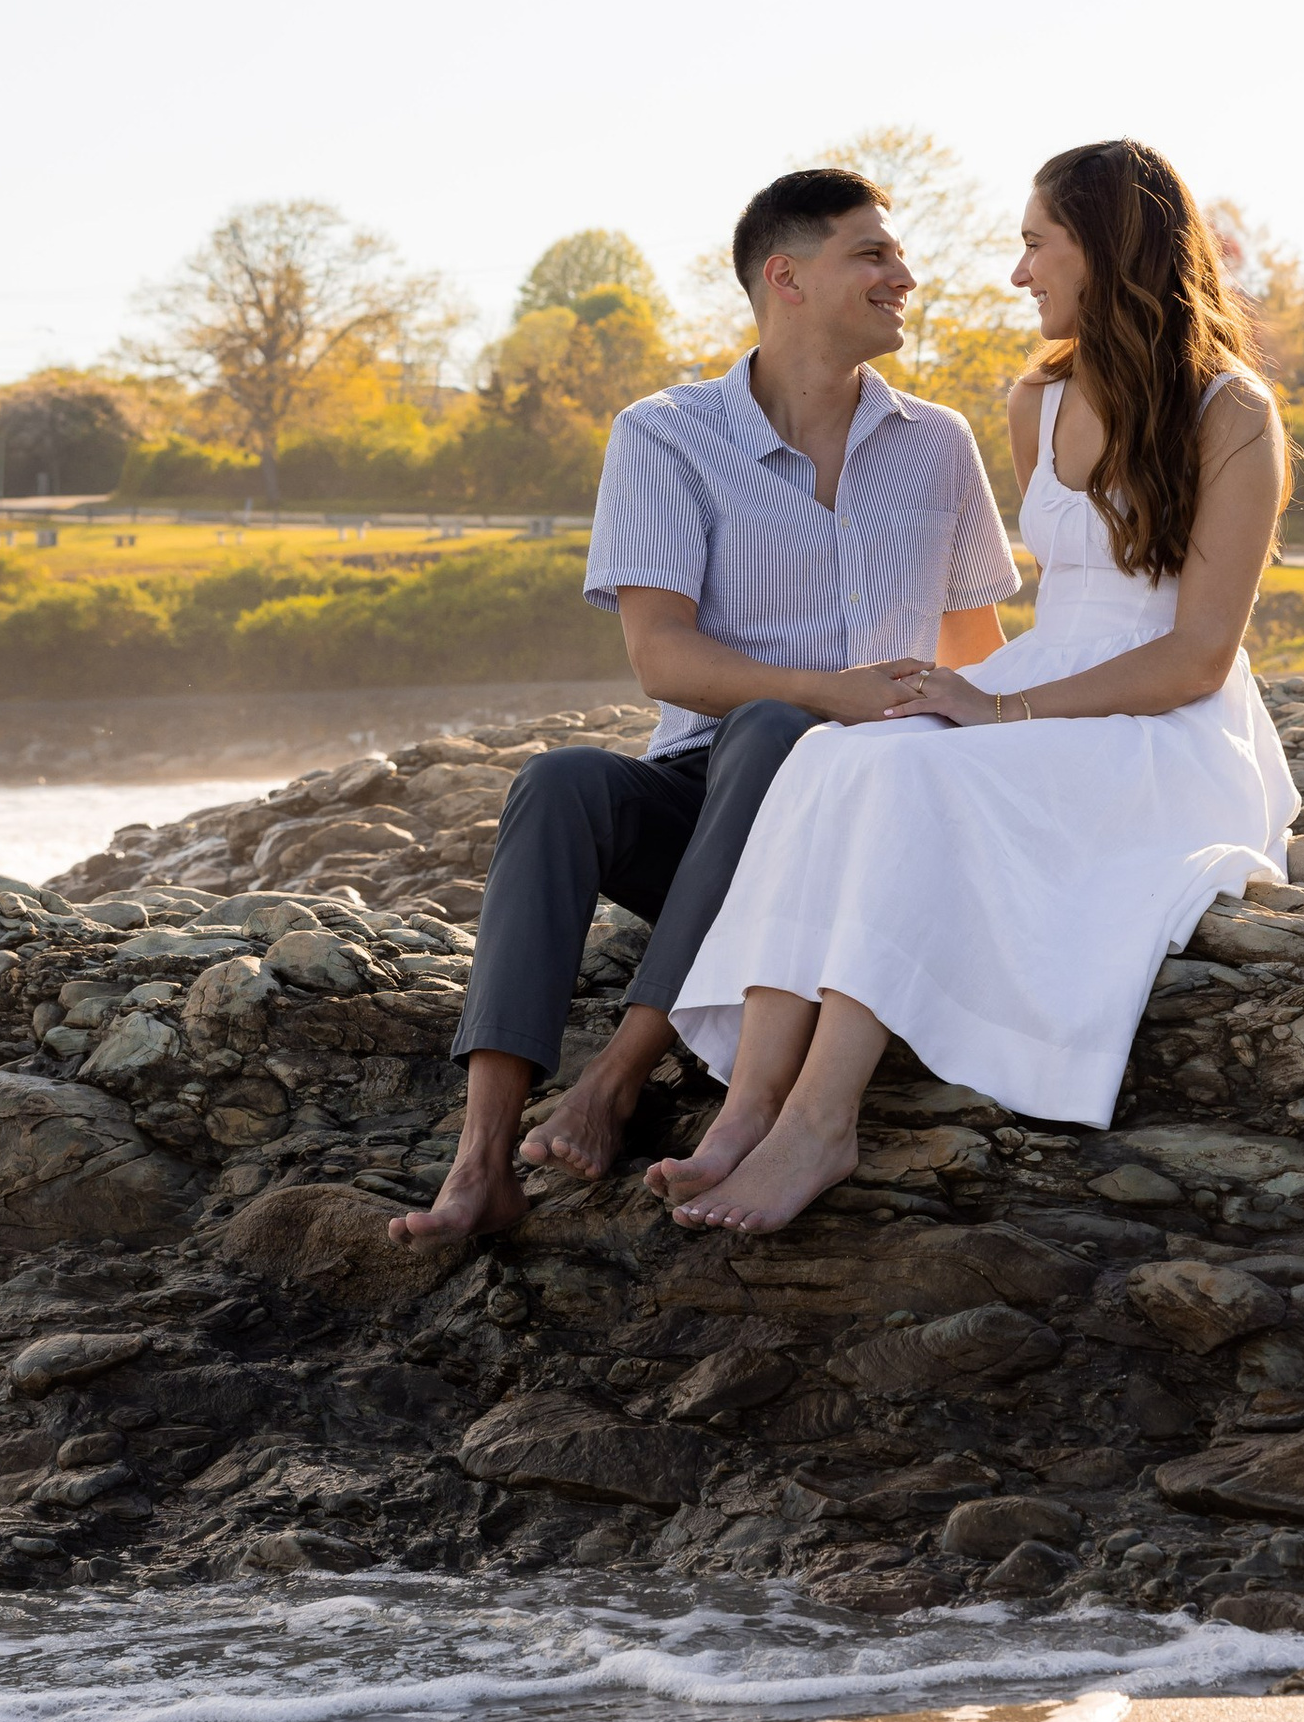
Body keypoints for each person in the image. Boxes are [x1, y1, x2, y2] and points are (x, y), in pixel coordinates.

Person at [654, 135, 1298, 1231]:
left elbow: (1196, 653)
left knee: (919, 782)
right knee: (834, 758)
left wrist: (1001, 709)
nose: (1018, 272)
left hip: (1167, 723)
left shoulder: (1230, 412)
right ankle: (747, 1104)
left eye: (1037, 244)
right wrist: (988, 697)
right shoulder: (1034, 400)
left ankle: (821, 1120)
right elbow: (1053, 608)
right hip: (1045, 678)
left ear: (1104, 246)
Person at [390, 166, 1020, 1243]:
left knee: (780, 728)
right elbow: (662, 658)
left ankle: (618, 1076)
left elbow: (976, 654)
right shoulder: (667, 434)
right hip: (708, 799)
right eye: (873, 254)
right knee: (557, 782)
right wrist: (825, 692)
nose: (904, 276)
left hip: (863, 820)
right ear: (786, 276)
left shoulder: (939, 444)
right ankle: (480, 1161)